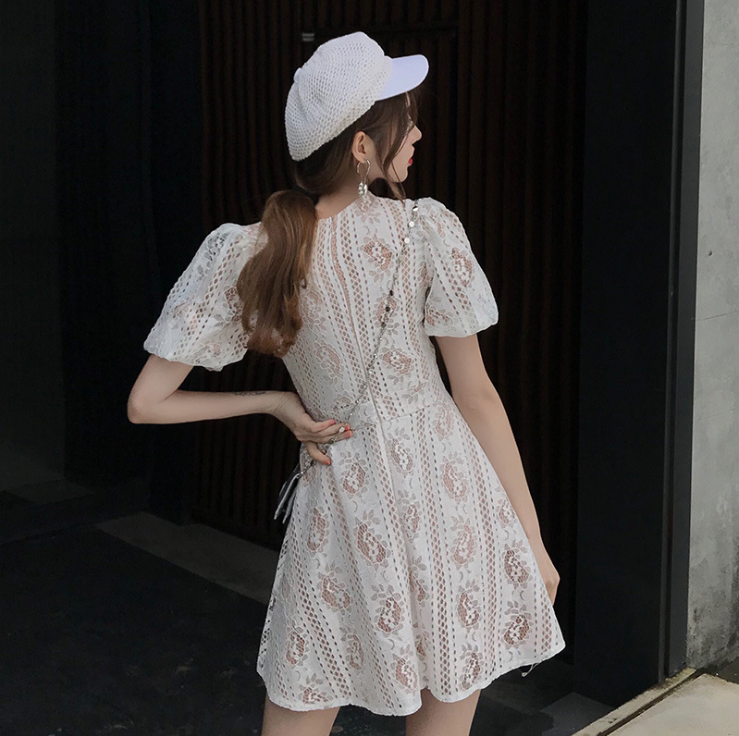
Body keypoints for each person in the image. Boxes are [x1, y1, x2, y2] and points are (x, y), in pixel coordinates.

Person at [127, 30, 565, 736]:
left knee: (304, 696)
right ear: (362, 146)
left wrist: (276, 401)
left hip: (344, 505)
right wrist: (531, 538)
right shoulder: (425, 231)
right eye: (406, 121)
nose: (417, 134)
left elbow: (146, 403)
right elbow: (476, 395)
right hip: (448, 498)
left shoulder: (254, 249)